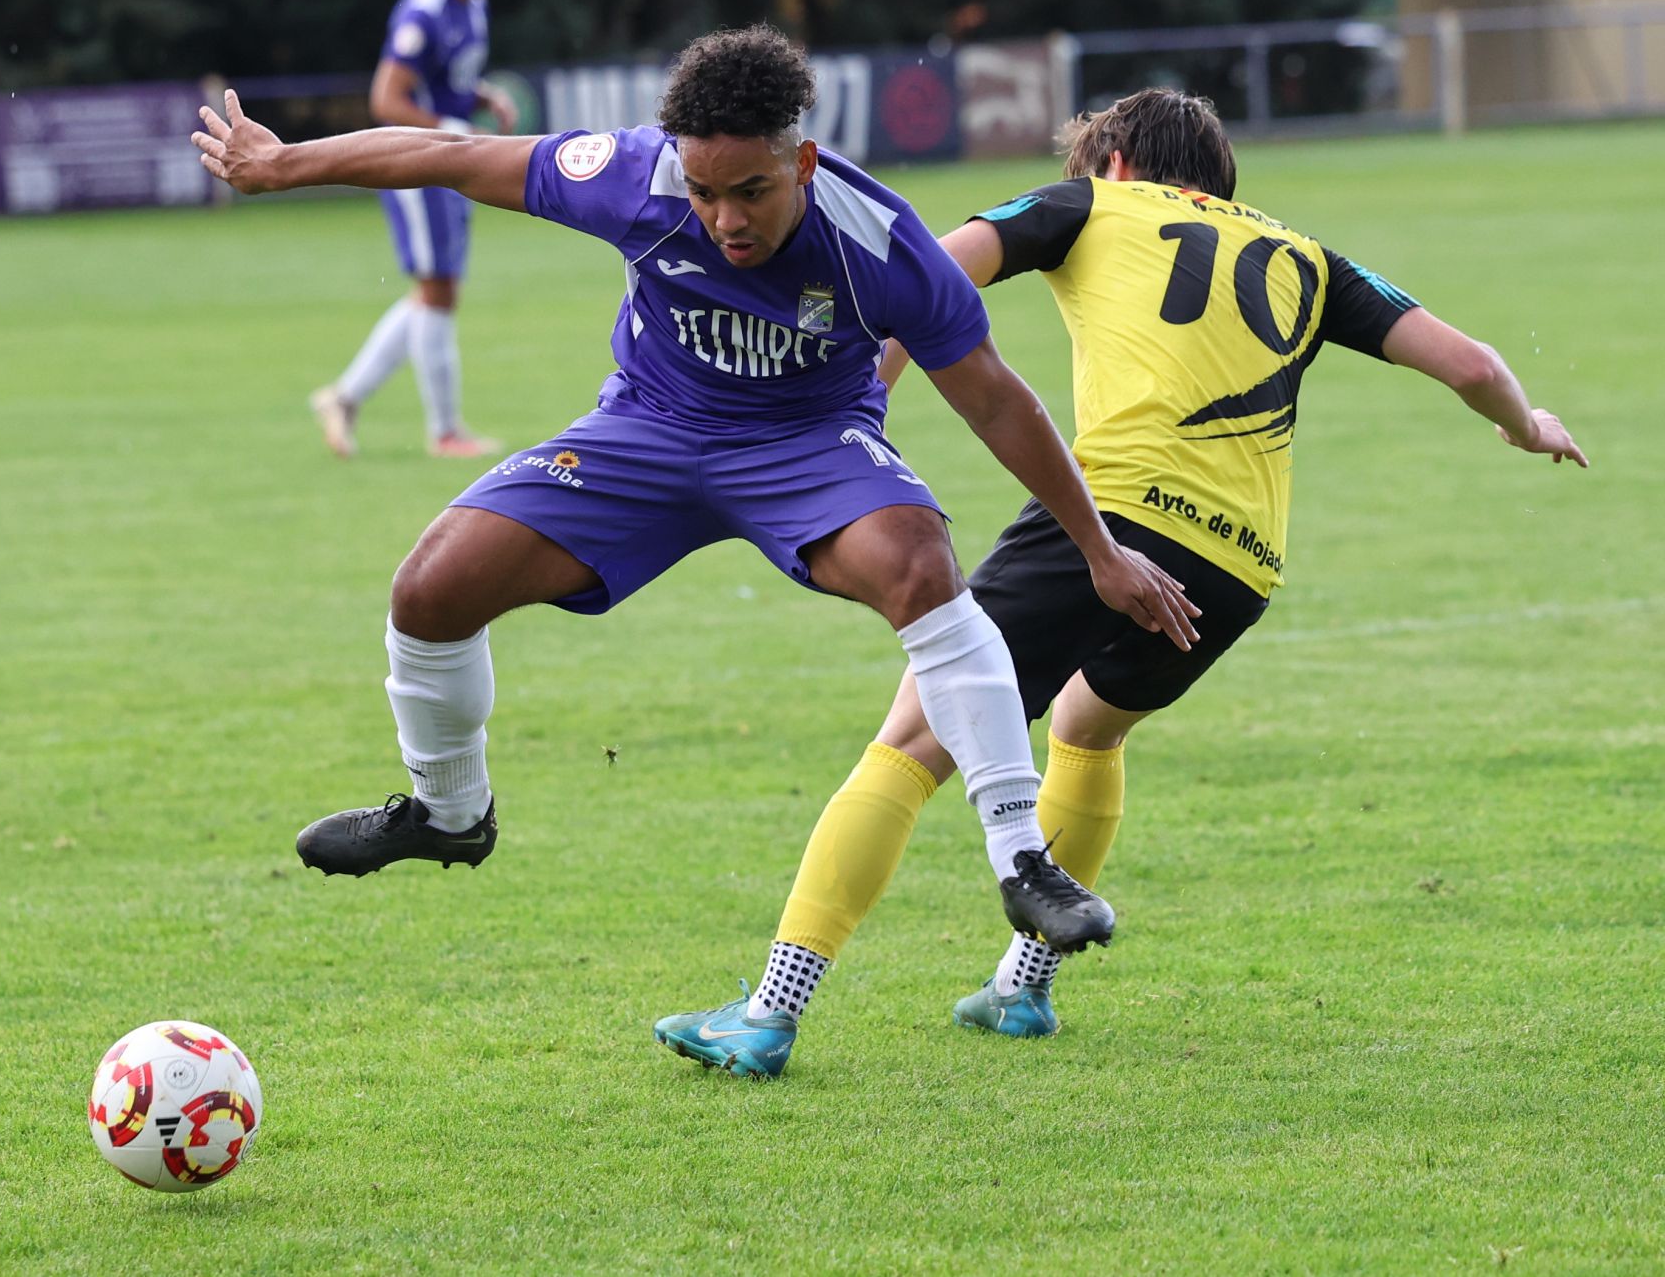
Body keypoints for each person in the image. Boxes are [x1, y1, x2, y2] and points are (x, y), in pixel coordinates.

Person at [195, 28, 1201, 1010]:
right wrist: (287, 164)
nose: (724, 217)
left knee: (919, 563)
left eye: (751, 190)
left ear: (802, 160)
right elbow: (454, 155)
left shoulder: (880, 241)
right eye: (704, 190)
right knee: (430, 588)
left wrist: (1098, 551)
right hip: (649, 430)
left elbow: (995, 400)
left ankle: (1024, 858)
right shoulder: (631, 175)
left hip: (806, 444)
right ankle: (449, 811)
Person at [655, 87, 1587, 1076]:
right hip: (1239, 566)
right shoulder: (1309, 258)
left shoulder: (1092, 207)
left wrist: (856, 399)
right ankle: (1022, 987)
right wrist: (1525, 424)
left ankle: (769, 1009)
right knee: (1087, 726)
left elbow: (920, 274)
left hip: (1111, 521)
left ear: (1117, 163)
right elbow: (1473, 360)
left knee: (915, 737)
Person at [309, 0, 518, 460]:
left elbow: (446, 81)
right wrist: (451, 124)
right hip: (417, 165)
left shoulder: (473, 6)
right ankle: (445, 432)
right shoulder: (422, 12)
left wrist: (482, 97)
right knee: (437, 291)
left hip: (449, 160)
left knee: (434, 292)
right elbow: (387, 99)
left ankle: (344, 398)